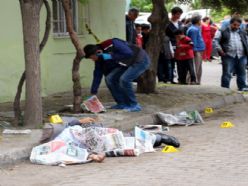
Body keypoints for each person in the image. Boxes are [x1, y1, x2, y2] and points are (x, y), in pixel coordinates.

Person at [83, 38, 150, 112]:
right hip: (126, 64)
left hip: (140, 60)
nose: (92, 60)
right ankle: (122, 103)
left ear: (96, 52)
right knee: (109, 79)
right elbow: (97, 74)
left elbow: (128, 53)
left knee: (124, 79)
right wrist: (93, 92)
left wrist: (110, 56)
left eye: (92, 57)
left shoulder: (112, 43)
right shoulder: (99, 59)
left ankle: (134, 105)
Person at [214, 17, 248, 91]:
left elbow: (246, 41)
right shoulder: (222, 31)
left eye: (238, 25)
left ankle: (242, 87)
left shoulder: (242, 32)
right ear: (230, 23)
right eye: (234, 25)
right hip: (228, 55)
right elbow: (216, 41)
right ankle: (225, 89)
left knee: (242, 72)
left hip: (242, 55)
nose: (236, 27)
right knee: (227, 73)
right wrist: (220, 50)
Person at [166, 7, 184, 84]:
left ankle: (181, 79)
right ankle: (171, 78)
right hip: (171, 44)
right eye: (177, 14)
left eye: (180, 14)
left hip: (181, 45)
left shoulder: (180, 23)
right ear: (173, 14)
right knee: (172, 63)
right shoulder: (167, 24)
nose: (179, 16)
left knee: (180, 63)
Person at [187, 15, 206, 84]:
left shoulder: (196, 28)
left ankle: (197, 81)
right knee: (195, 67)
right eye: (200, 20)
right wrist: (194, 51)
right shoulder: (193, 29)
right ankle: (191, 80)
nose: (201, 21)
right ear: (198, 21)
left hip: (199, 50)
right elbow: (193, 41)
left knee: (198, 67)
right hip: (196, 50)